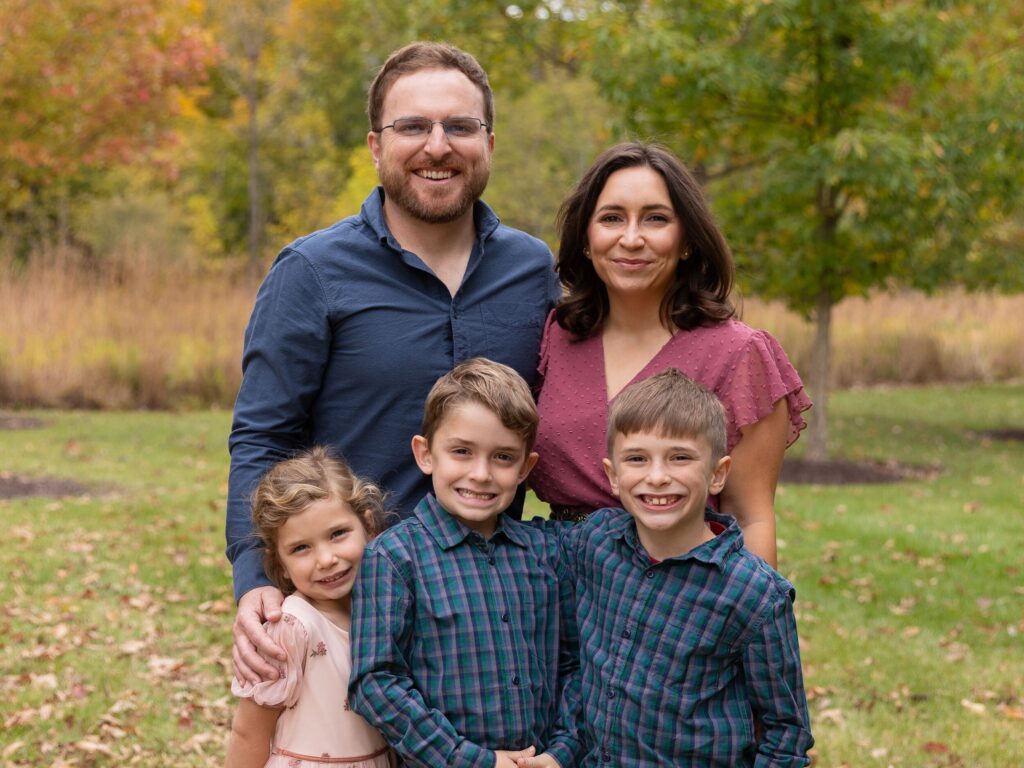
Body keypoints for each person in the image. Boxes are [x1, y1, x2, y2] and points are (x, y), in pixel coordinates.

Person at [227, 41, 560, 684]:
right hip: (344, 615)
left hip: (488, 623)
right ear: (377, 146)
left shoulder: (534, 271)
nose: (438, 146)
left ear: (489, 142)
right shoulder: (312, 272)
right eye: (413, 126)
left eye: (459, 126)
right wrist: (252, 579)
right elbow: (262, 437)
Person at [529, 141, 811, 567]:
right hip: (558, 591)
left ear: (686, 242)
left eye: (655, 219)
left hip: (679, 592)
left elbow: (751, 518)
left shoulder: (739, 354)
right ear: (586, 240)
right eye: (611, 218)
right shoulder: (558, 337)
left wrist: (749, 623)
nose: (631, 238)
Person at [522, 369, 813, 767]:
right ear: (613, 476)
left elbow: (786, 734)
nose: (657, 477)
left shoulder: (754, 594)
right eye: (637, 459)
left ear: (717, 474)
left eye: (680, 458)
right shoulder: (595, 543)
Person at [349, 358, 582, 768]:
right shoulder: (394, 558)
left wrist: (562, 751)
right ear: (425, 454)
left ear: (526, 468)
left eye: (503, 458)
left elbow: (575, 663)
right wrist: (470, 760)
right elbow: (376, 683)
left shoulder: (546, 554)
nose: (480, 474)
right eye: (461, 451)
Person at [226, 447, 394, 768]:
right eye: (301, 548)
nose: (326, 559)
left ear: (369, 528)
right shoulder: (292, 627)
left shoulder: (383, 611)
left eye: (338, 534)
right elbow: (249, 733)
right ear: (281, 565)